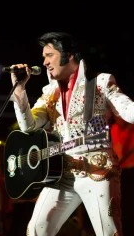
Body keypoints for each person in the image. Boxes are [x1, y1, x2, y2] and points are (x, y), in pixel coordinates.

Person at [8, 32, 134, 236]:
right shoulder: (49, 93)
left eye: (49, 55)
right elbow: (28, 127)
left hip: (97, 170)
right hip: (62, 173)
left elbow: (128, 110)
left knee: (108, 233)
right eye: (43, 57)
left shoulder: (100, 82)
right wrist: (20, 90)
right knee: (36, 230)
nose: (45, 62)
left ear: (70, 54)